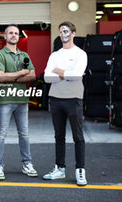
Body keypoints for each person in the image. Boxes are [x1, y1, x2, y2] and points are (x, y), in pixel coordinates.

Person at [43, 21, 88, 186]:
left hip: (74, 98)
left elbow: (77, 75)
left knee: (78, 137)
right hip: (55, 98)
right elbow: (47, 77)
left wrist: (59, 71)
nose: (64, 34)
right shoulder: (54, 55)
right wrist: (66, 74)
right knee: (59, 136)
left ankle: (80, 171)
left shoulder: (80, 54)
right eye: (61, 31)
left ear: (73, 33)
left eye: (66, 31)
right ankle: (59, 169)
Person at [0, 24, 37, 180]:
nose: (13, 35)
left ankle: (27, 163)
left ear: (19, 36)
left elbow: (32, 75)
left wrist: (13, 76)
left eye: (16, 33)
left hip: (22, 100)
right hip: (5, 99)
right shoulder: (0, 54)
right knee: (1, 134)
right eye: (10, 33)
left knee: (24, 134)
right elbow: (1, 77)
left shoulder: (24, 54)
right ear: (5, 36)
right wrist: (21, 73)